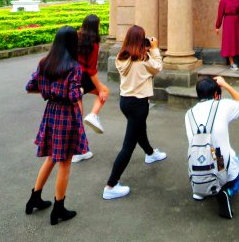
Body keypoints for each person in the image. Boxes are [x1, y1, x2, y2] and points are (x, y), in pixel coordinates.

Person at [25, 26, 88, 225]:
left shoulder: (45, 63)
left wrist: (49, 91)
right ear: (71, 43)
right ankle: (58, 208)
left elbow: (30, 87)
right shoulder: (73, 67)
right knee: (65, 163)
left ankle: (34, 197)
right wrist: (82, 90)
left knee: (52, 157)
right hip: (66, 115)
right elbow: (72, 95)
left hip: (51, 111)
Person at [103, 25, 167, 200]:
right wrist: (154, 49)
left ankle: (151, 154)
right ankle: (111, 185)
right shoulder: (144, 59)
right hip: (139, 103)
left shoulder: (121, 57)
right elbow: (158, 67)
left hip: (125, 101)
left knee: (139, 131)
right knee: (128, 146)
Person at [185, 75, 239, 219]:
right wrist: (225, 84)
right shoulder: (222, 105)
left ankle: (200, 192)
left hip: (197, 168)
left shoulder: (188, 114)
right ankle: (227, 191)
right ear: (215, 94)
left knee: (204, 153)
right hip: (219, 165)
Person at [72, 14, 109, 163]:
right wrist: (100, 88)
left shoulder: (76, 37)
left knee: (77, 116)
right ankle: (93, 115)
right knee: (105, 91)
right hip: (84, 77)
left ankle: (79, 151)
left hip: (71, 77)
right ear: (95, 27)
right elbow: (91, 70)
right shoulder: (93, 44)